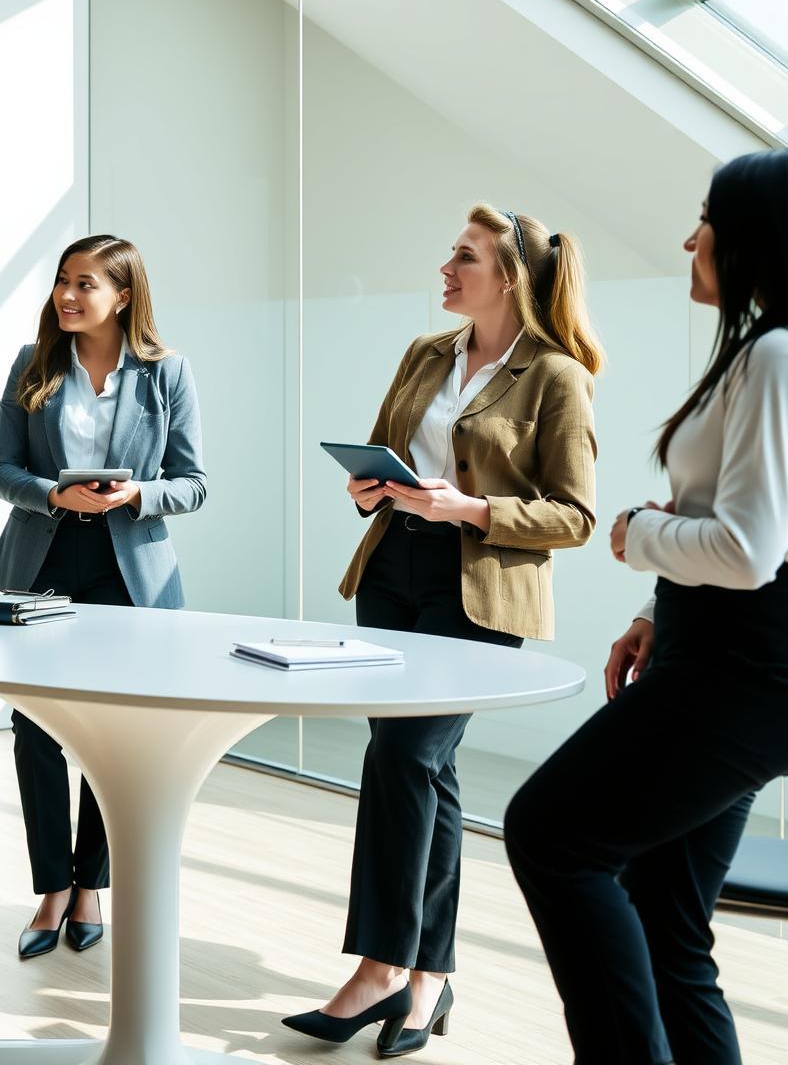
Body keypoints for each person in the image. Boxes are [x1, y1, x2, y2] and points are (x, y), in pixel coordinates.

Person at [504, 148, 788, 1065]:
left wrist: (631, 533)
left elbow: (746, 550)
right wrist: (663, 609)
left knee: (551, 835)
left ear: (767, 237)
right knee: (665, 914)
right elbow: (756, 528)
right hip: (755, 655)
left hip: (755, 664)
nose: (691, 238)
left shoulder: (787, 353)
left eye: (709, 219)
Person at [284, 205, 602, 1056]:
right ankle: (431, 977)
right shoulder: (426, 355)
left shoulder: (556, 376)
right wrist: (370, 487)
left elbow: (573, 515)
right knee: (428, 767)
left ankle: (381, 968)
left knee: (407, 758)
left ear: (510, 278)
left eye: (464, 257)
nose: (446, 269)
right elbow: (387, 448)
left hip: (479, 588)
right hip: (392, 573)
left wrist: (473, 509)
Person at [0, 233, 205, 958]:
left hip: (129, 567)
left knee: (115, 732)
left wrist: (139, 493)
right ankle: (52, 886)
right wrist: (54, 492)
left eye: (86, 284)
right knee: (36, 728)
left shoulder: (167, 373)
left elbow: (194, 482)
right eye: (62, 282)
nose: (68, 296)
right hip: (43, 550)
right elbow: (0, 471)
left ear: (124, 294)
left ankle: (91, 885)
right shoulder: (33, 364)